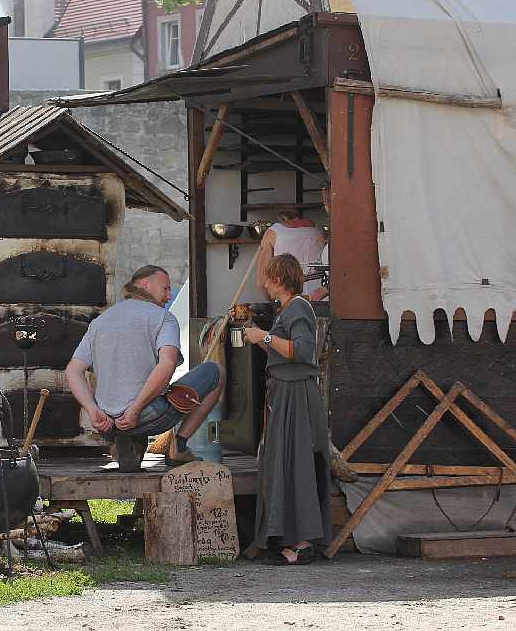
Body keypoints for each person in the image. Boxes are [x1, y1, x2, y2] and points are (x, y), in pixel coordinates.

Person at [65, 265, 225, 471]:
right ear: (145, 284)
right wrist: (134, 409)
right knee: (216, 371)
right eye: (165, 289)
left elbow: (73, 370)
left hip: (106, 422)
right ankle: (179, 445)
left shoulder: (100, 321)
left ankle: (124, 442)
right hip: (145, 416)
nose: (168, 296)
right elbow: (167, 364)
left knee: (141, 400)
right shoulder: (163, 317)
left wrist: (92, 410)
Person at [242, 254, 331, 564]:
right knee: (284, 463)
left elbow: (303, 350)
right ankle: (288, 537)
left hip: (297, 395)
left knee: (298, 465)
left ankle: (303, 543)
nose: (264, 284)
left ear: (278, 279)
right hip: (284, 392)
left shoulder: (298, 307)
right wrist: (258, 336)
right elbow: (284, 349)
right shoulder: (288, 310)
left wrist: (264, 336)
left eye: (267, 278)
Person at [257, 208, 325, 297]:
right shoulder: (319, 229)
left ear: (282, 219)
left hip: (289, 292)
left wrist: (273, 302)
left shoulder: (274, 231)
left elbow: (262, 281)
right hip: (320, 291)